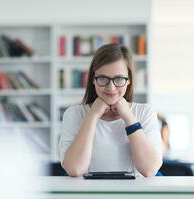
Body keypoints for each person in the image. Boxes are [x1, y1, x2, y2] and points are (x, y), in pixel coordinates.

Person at [58, 44, 163, 177]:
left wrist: (128, 117)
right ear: (93, 80)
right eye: (103, 78)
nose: (111, 87)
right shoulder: (74, 114)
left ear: (129, 79)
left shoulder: (145, 112)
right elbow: (75, 169)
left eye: (119, 79)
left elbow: (149, 170)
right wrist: (92, 115)